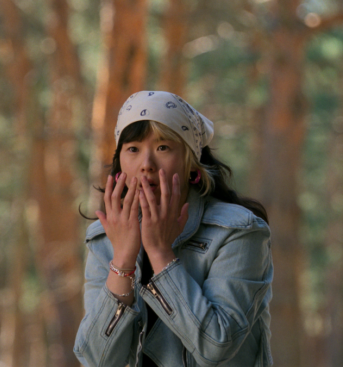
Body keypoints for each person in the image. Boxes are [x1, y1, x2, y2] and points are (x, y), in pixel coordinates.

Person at [74, 91, 273, 367]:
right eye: (133, 149)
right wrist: (122, 260)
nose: (146, 165)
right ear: (120, 165)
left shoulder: (239, 232)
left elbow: (216, 345)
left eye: (162, 148)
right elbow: (98, 360)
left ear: (192, 162)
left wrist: (159, 252)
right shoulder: (103, 237)